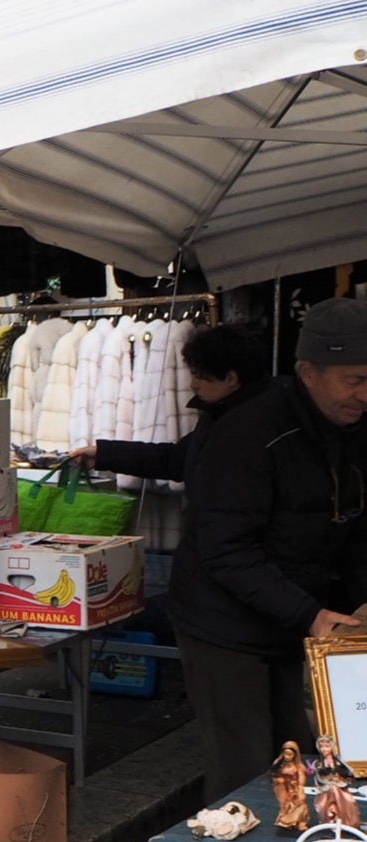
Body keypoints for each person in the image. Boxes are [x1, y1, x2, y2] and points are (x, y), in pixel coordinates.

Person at [177, 299, 367, 798]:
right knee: (245, 766)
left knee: (300, 752)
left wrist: (357, 599)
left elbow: (354, 526)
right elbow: (225, 550)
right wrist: (310, 613)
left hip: (291, 615)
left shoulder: (352, 431)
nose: (365, 394)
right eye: (354, 380)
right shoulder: (249, 434)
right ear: (309, 372)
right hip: (223, 622)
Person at [71, 324, 269, 481]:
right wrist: (103, 454)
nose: (193, 384)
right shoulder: (219, 414)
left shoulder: (261, 426)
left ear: (231, 378)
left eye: (199, 376)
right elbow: (175, 459)